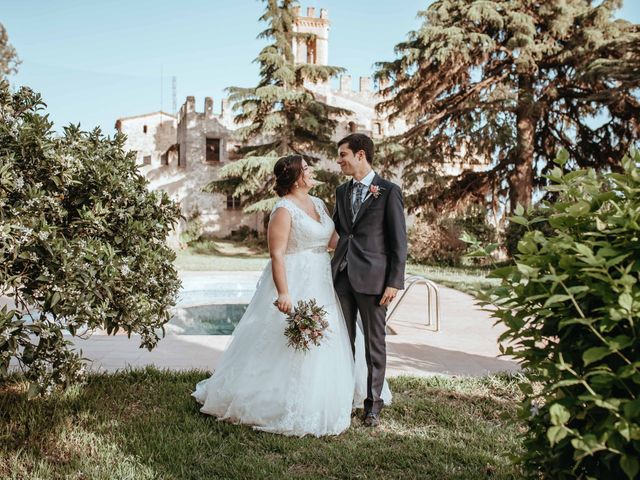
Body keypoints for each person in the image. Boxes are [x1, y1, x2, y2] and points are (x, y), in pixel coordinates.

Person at [192, 154, 390, 437]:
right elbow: (276, 254)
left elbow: (334, 241)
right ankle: (280, 396)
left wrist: (371, 239)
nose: (312, 172)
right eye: (307, 169)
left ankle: (329, 393)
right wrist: (284, 292)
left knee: (329, 336)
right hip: (296, 279)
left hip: (323, 280)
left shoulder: (319, 204)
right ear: (296, 177)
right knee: (285, 339)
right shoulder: (283, 210)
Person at [331, 133, 408, 428]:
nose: (339, 161)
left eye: (343, 155)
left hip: (375, 280)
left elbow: (398, 241)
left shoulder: (388, 191)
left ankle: (373, 405)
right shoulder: (341, 191)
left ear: (360, 155)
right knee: (342, 341)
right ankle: (344, 396)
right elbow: (339, 231)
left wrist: (394, 281)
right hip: (342, 277)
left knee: (374, 344)